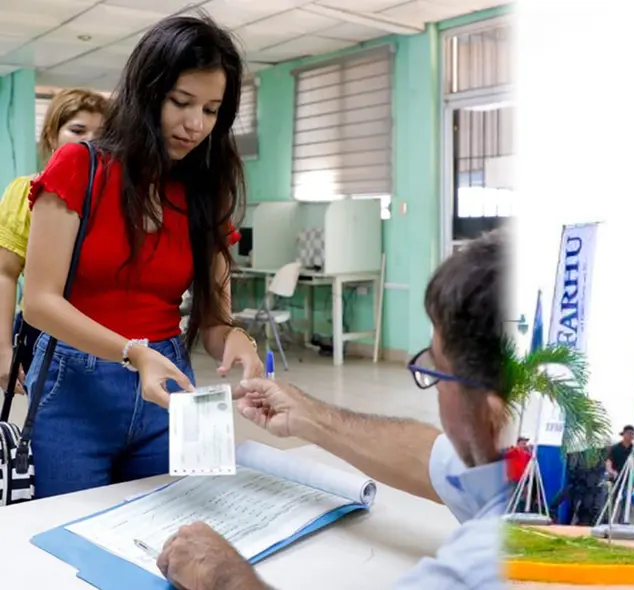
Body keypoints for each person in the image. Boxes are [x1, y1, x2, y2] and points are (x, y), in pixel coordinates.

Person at [155, 229, 509, 590]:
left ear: (490, 413)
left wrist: (224, 576)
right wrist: (306, 414)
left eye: (436, 370)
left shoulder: (490, 564)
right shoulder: (525, 469)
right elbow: (430, 458)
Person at [21, 15, 262, 499]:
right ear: (146, 91)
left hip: (170, 383)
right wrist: (133, 352)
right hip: (76, 385)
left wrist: (237, 340)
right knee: (68, 544)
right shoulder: (79, 165)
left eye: (212, 110)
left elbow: (213, 321)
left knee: (177, 534)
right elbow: (39, 304)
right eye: (181, 102)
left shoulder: (205, 191)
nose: (196, 124)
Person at [0, 88, 109, 390]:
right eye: (77, 130)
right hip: (43, 331)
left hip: (104, 332)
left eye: (99, 133)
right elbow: (5, 273)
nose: (89, 141)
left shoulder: (115, 198)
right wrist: (2, 350)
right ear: (51, 135)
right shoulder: (26, 190)